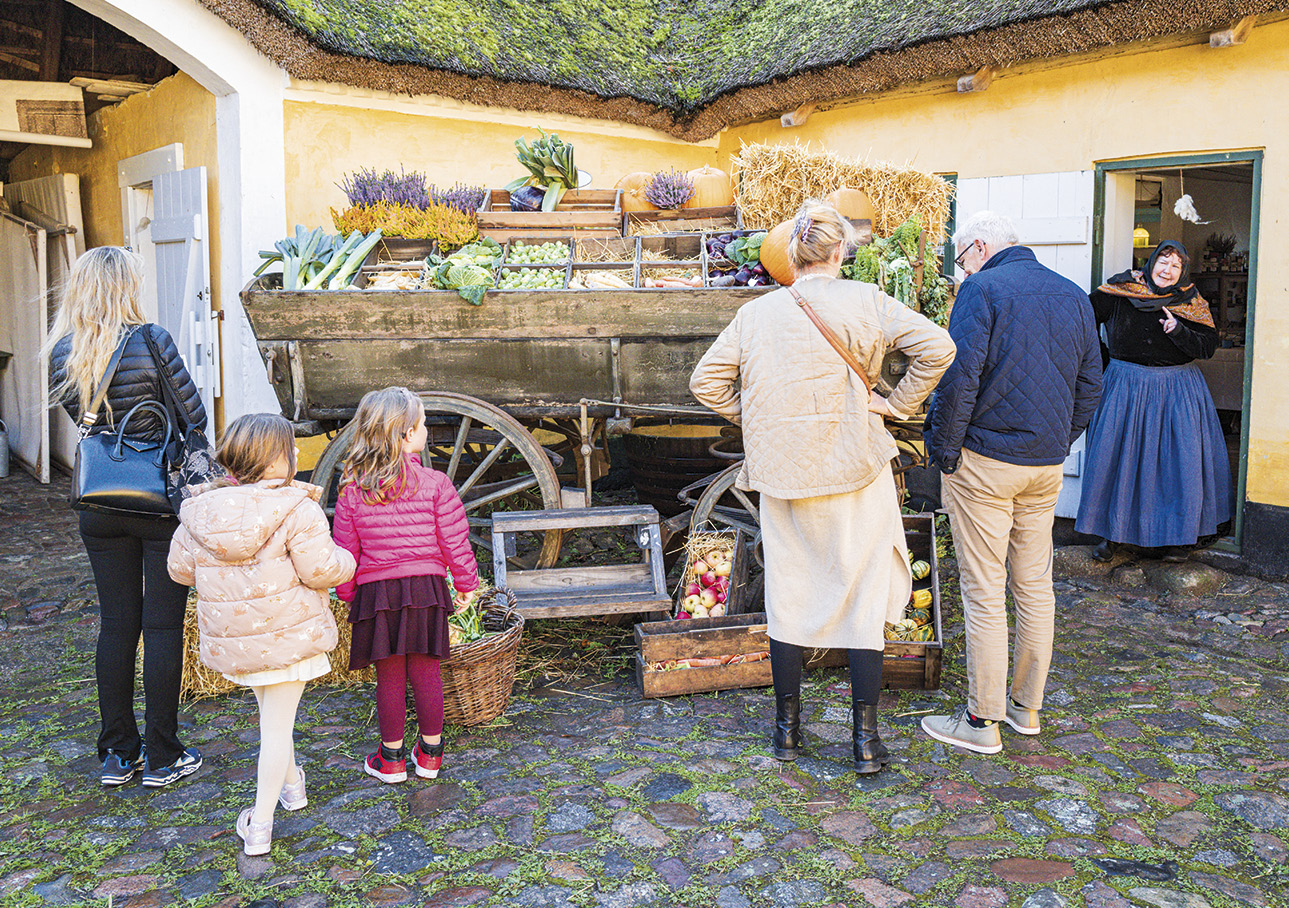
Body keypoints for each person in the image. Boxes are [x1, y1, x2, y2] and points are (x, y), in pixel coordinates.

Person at [690, 200, 955, 774]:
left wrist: (756, 417)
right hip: (857, 470)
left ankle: (787, 734)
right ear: (840, 252)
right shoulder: (868, 301)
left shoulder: (756, 314)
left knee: (789, 597)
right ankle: (864, 742)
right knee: (862, 603)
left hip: (785, 476)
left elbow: (705, 381)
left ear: (791, 256)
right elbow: (939, 348)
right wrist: (897, 403)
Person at [922, 211, 1102, 755]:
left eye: (960, 259)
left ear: (978, 247)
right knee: (1034, 586)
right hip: (1044, 465)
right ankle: (1027, 709)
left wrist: (944, 453)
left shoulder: (982, 289)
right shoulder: (1072, 294)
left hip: (986, 461)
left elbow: (959, 377)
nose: (961, 271)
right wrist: (1057, 439)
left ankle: (981, 721)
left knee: (982, 591)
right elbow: (1091, 383)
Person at [45, 246, 208, 788]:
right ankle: (163, 756)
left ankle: (117, 753)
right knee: (161, 627)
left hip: (99, 504)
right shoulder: (152, 339)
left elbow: (87, 426)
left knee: (116, 625)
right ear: (126, 286)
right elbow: (193, 417)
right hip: (158, 501)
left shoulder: (62, 352)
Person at [167, 413, 356, 855]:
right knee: (276, 727)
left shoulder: (200, 510)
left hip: (238, 639)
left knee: (274, 716)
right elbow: (321, 570)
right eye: (290, 450)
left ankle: (293, 786)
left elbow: (179, 571)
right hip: (289, 635)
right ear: (278, 459)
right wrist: (348, 561)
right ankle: (260, 825)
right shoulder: (298, 508)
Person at [332, 387, 480, 783]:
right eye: (423, 425)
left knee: (390, 676)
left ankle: (391, 758)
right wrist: (466, 584)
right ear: (405, 434)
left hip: (379, 595)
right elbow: (455, 540)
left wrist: (348, 597)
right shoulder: (435, 484)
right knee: (427, 673)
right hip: (426, 590)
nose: (427, 431)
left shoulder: (352, 491)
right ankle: (430, 755)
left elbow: (345, 554)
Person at [1076, 240, 1233, 563]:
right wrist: (1102, 360)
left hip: (1178, 391)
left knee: (1178, 465)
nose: (1168, 270)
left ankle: (1178, 539)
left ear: (1182, 271)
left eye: (1176, 265)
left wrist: (1179, 331)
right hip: (1125, 387)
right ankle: (1112, 535)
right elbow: (1081, 319)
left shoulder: (1190, 301)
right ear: (1151, 263)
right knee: (1118, 460)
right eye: (1163, 261)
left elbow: (1207, 347)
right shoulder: (1120, 291)